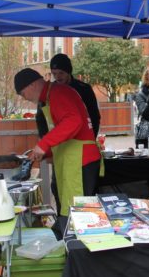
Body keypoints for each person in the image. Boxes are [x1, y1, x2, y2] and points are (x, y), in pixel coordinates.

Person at [14, 68, 102, 234]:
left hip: (81, 160)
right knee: (70, 209)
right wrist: (47, 152)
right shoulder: (49, 96)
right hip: (72, 159)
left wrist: (44, 144)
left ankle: (82, 252)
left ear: (31, 85)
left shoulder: (58, 92)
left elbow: (73, 121)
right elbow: (63, 130)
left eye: (21, 92)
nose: (22, 97)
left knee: (82, 213)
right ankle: (70, 245)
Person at [36, 53, 100, 139]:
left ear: (68, 71)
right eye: (54, 74)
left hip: (80, 140)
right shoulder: (48, 92)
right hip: (56, 141)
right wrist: (44, 139)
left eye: (61, 73)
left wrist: (91, 138)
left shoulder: (84, 89)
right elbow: (41, 118)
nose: (57, 77)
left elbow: (94, 117)